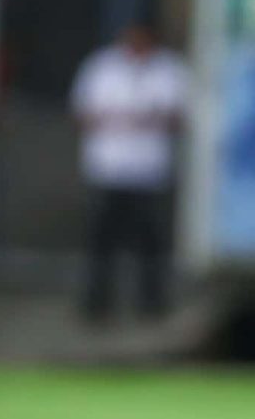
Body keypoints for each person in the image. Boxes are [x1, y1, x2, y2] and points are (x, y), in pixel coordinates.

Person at [70, 19, 189, 321]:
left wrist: (141, 120)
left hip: (149, 173)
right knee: (101, 243)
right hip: (107, 170)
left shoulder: (169, 69)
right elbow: (82, 112)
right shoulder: (101, 67)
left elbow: (180, 117)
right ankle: (97, 305)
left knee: (150, 244)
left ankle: (151, 305)